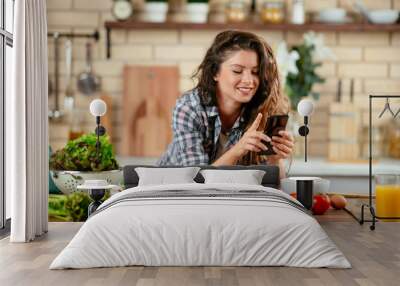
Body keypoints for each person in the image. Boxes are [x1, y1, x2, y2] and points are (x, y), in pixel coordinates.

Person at [158, 30, 294, 178]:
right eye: (237, 71)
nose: (249, 80)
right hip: (170, 192)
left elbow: (276, 189)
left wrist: (275, 159)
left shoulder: (264, 108)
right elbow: (195, 180)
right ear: (215, 72)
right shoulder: (189, 108)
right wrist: (239, 149)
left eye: (255, 72)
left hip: (228, 197)